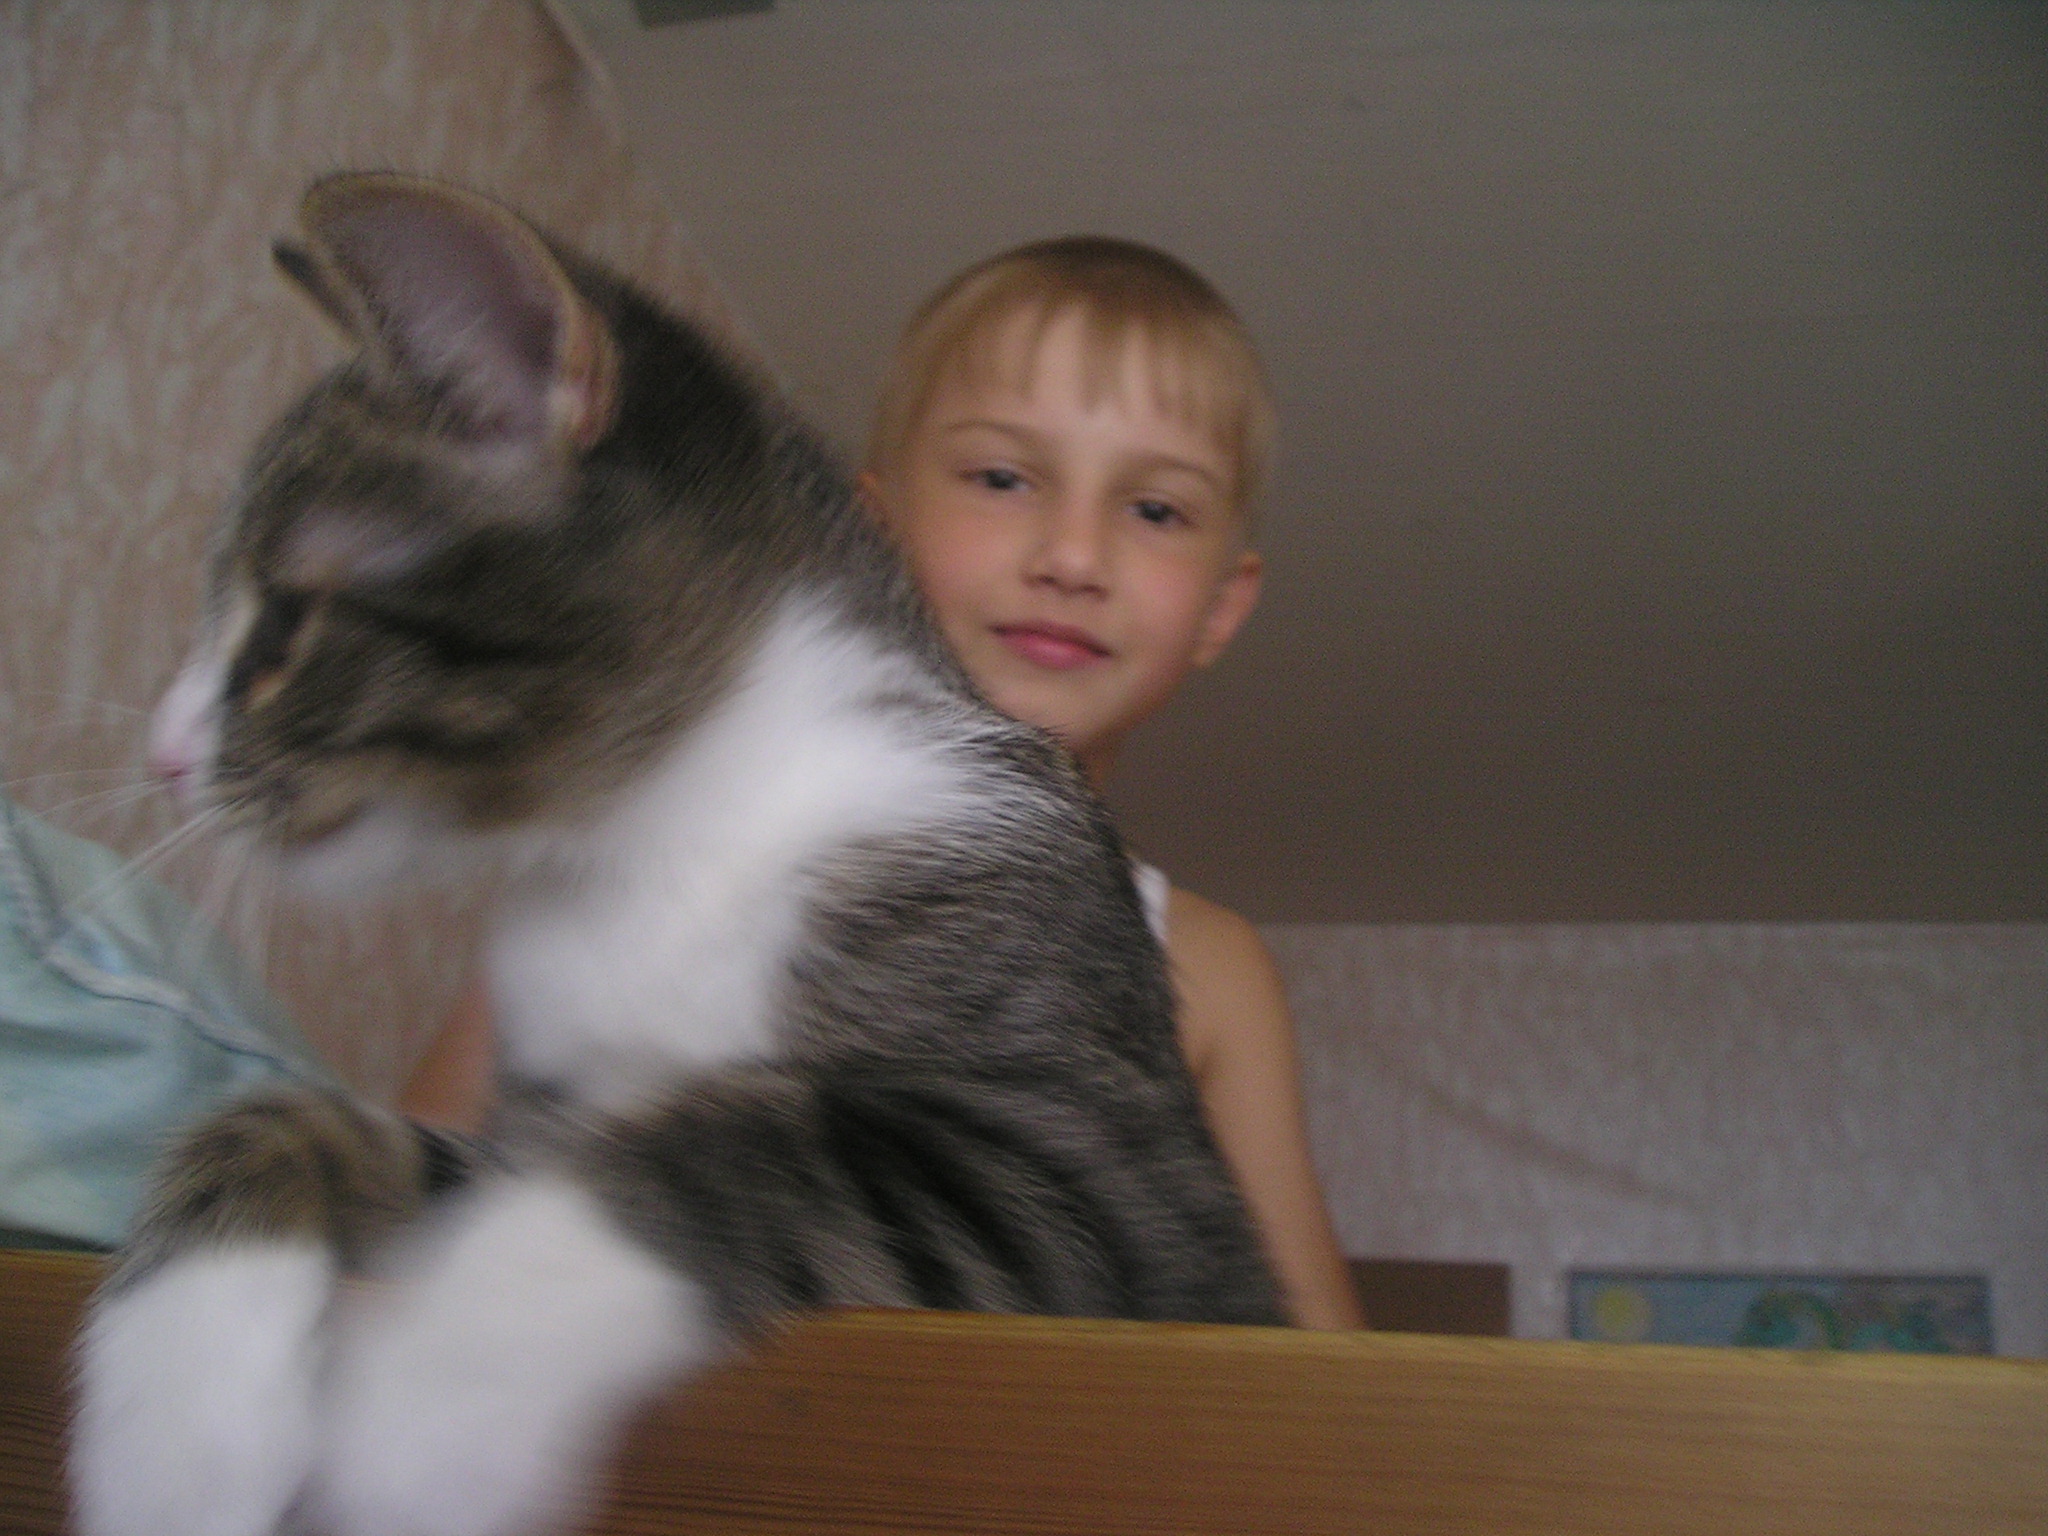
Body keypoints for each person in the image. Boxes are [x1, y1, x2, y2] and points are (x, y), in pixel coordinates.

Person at [403, 236, 1366, 1329]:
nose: (1072, 556)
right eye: (1002, 479)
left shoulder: (1209, 969)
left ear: (1220, 609)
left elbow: (1318, 1384)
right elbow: (400, 1225)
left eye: (1154, 511)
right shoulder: (638, 856)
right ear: (873, 535)